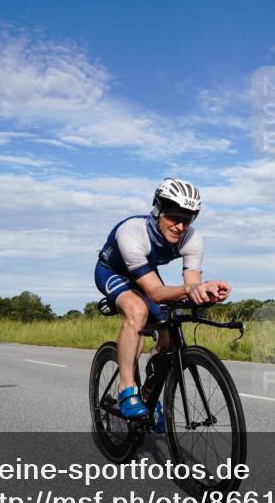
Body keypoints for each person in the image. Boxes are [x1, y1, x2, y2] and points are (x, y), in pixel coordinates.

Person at [94, 178, 230, 422]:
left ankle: (149, 394)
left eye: (186, 220)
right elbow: (156, 293)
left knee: (167, 333)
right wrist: (190, 289)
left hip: (145, 273)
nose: (180, 226)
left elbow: (192, 283)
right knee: (137, 310)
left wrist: (205, 292)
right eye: (173, 217)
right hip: (112, 271)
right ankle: (126, 388)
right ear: (157, 210)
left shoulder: (192, 239)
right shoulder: (132, 233)